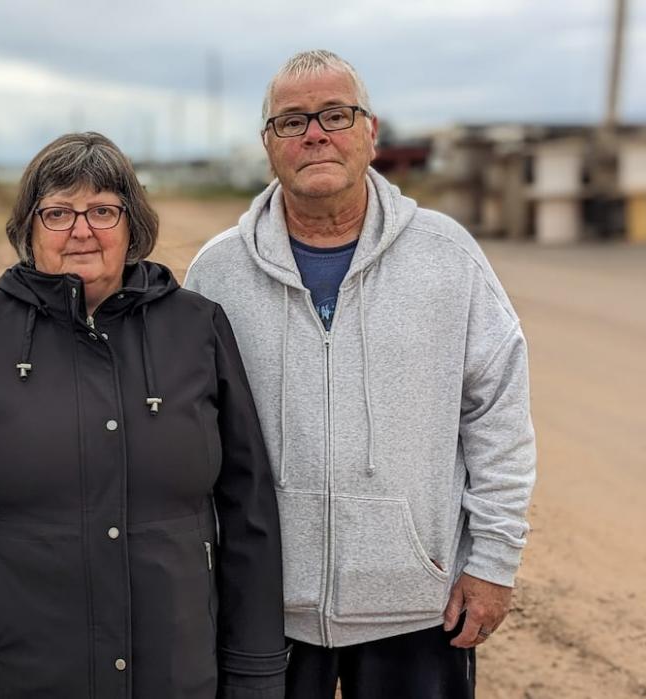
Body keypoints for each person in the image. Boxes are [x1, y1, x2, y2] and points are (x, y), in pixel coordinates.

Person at [184, 50, 537, 698]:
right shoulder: (218, 272)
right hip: (266, 608)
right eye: (291, 121)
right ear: (269, 145)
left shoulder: (447, 256)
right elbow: (186, 436)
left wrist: (492, 562)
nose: (314, 132)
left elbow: (499, 415)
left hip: (415, 604)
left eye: (335, 114)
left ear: (370, 133)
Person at [0, 132, 290, 699]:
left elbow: (248, 505)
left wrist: (256, 671)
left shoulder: (197, 328)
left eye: (103, 210)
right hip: (24, 673)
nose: (81, 229)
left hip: (177, 671)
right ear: (28, 228)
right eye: (58, 212)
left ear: (132, 224)